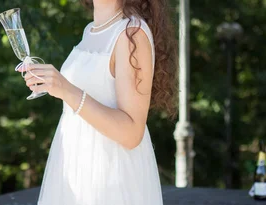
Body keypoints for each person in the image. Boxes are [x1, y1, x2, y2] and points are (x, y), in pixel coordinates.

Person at [25, 0, 177, 204]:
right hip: (73, 166)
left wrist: (66, 89)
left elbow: (132, 133)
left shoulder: (132, 33)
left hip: (110, 176)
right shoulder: (91, 29)